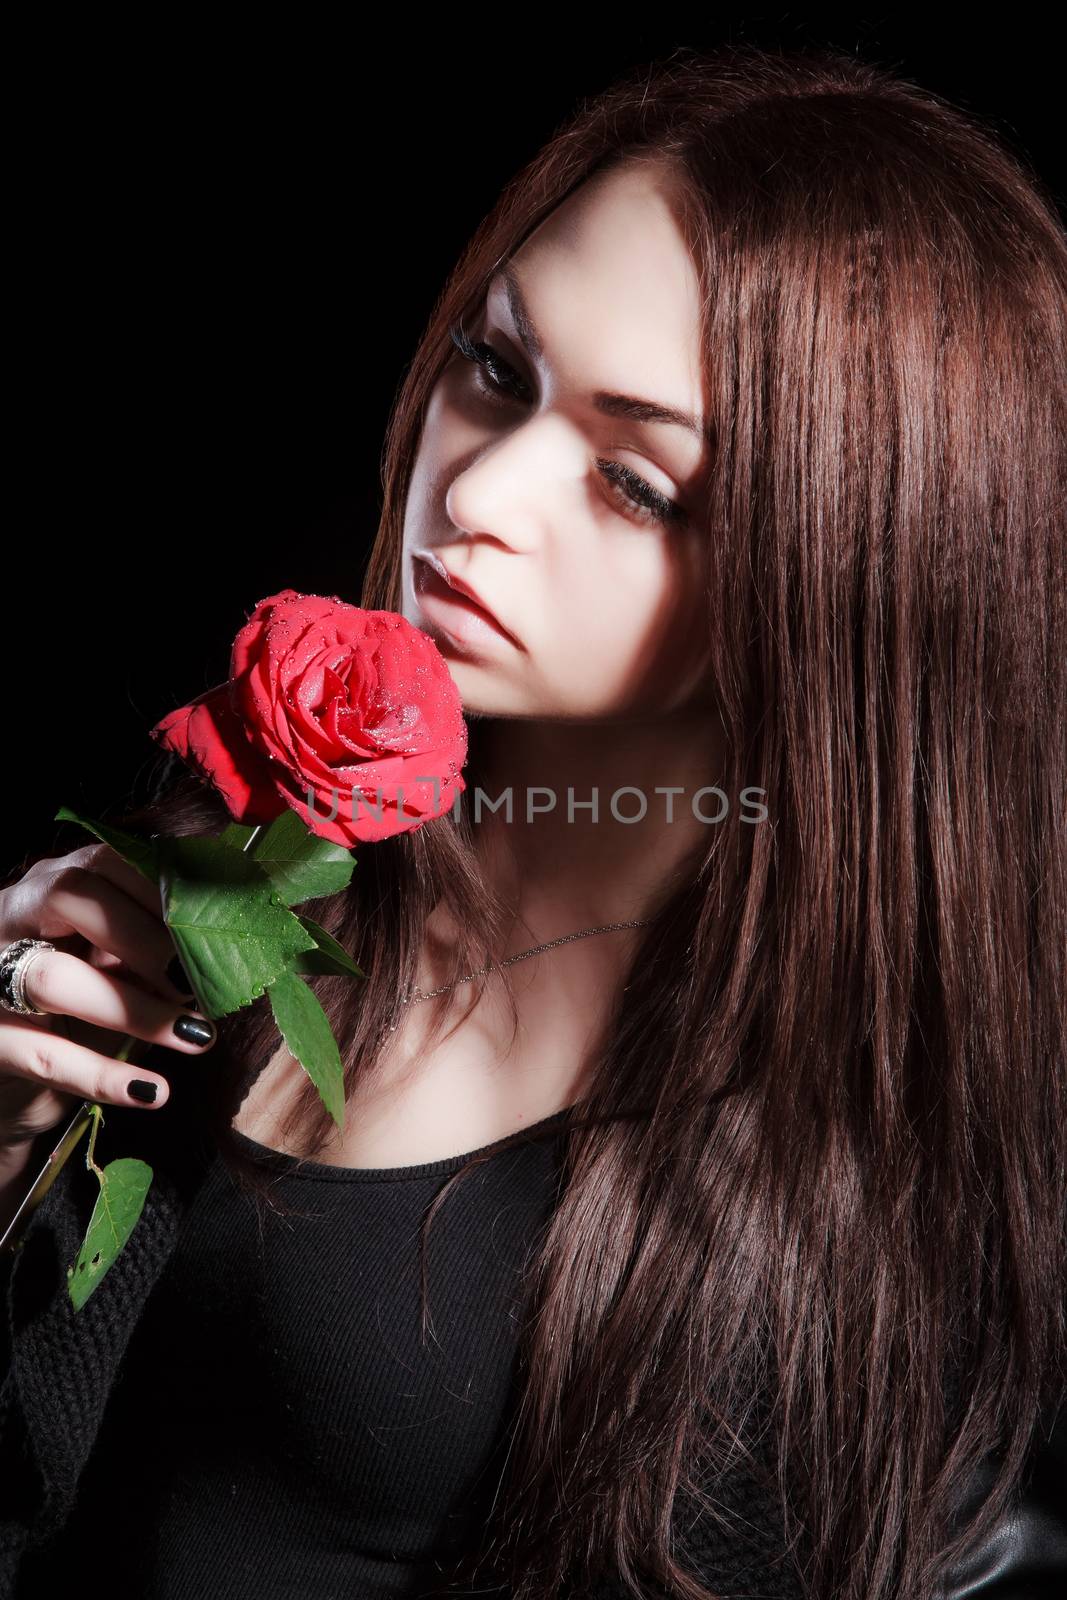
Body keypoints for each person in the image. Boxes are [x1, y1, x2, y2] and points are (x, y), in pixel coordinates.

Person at [2, 42, 1066, 1600]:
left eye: (634, 484)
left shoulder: (826, 1194)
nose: (483, 491)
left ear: (845, 582)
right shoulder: (254, 839)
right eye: (496, 370)